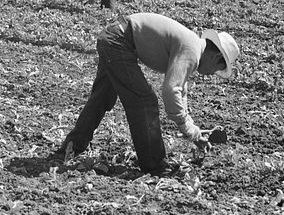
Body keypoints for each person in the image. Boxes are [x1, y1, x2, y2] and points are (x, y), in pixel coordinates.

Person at [51, 12, 240, 175]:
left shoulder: (191, 45)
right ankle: (155, 165)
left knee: (102, 97)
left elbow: (180, 90)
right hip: (118, 41)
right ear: (216, 58)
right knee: (145, 101)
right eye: (216, 69)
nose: (211, 74)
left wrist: (194, 131)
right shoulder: (192, 50)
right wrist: (188, 129)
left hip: (114, 36)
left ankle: (71, 147)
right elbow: (171, 90)